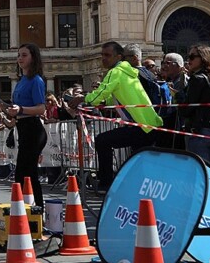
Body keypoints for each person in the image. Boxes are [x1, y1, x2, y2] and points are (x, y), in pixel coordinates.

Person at [68, 41, 162, 193]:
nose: (103, 59)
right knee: (138, 162)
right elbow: (112, 98)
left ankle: (106, 183)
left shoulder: (116, 72)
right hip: (147, 125)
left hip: (141, 126)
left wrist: (83, 99)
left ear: (118, 56)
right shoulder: (125, 71)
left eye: (107, 55)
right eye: (102, 55)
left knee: (102, 141)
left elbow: (100, 94)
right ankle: (137, 190)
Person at [0, 43, 48, 200]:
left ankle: (37, 209)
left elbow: (41, 108)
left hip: (33, 129)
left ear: (33, 58)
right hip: (22, 128)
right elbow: (11, 109)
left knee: (28, 172)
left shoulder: (36, 80)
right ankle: (23, 210)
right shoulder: (21, 81)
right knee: (22, 173)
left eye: (24, 55)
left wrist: (21, 110)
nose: (20, 58)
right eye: (19, 55)